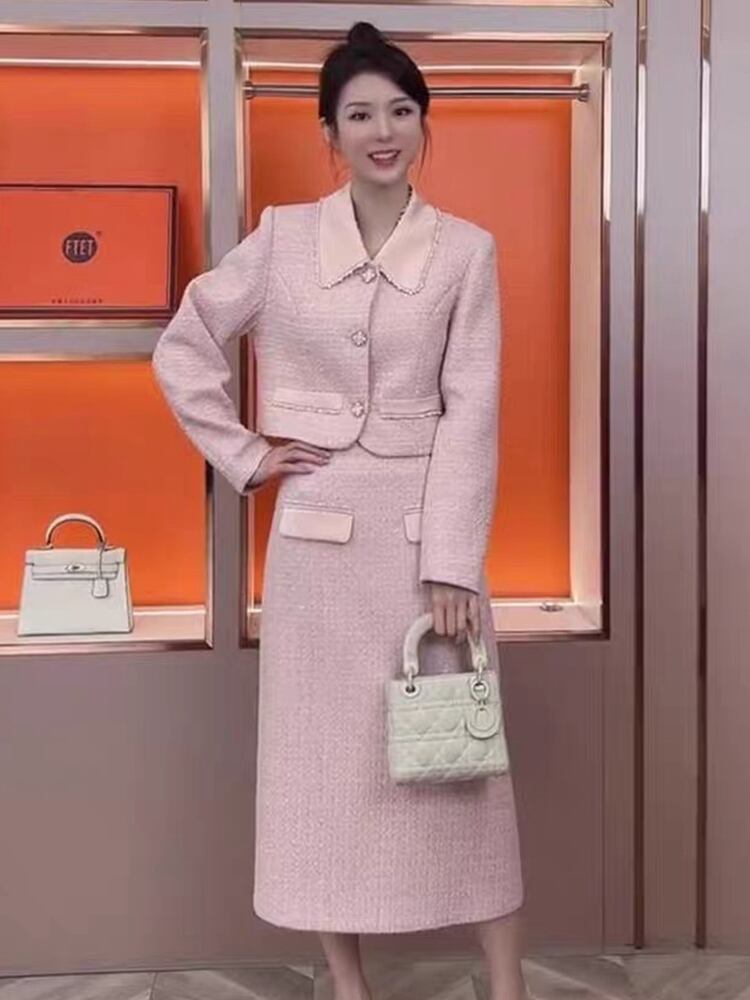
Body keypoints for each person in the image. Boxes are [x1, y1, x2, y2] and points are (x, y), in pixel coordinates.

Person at [152, 20, 530, 1000]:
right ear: (329, 132)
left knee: (464, 771)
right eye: (360, 114)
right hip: (316, 560)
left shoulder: (466, 253)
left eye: (400, 111)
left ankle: (508, 985)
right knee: (326, 783)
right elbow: (184, 343)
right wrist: (247, 453)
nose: (382, 131)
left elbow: (474, 409)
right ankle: (349, 984)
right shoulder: (282, 240)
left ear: (423, 124)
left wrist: (452, 560)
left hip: (423, 552)